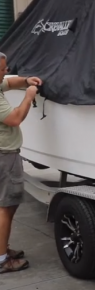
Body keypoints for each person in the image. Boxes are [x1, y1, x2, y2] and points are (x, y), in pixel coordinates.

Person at [0, 52, 43, 273]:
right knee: (6, 207)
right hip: (5, 155)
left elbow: (9, 82)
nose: (6, 72)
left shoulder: (0, 83)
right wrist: (28, 95)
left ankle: (2, 249)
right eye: (2, 69)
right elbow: (15, 119)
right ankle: (2, 260)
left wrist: (26, 80)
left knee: (5, 206)